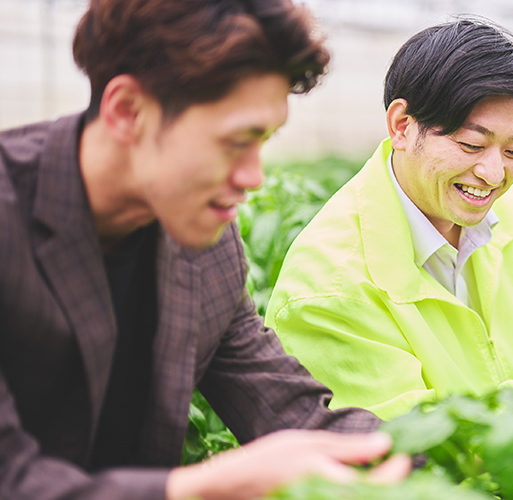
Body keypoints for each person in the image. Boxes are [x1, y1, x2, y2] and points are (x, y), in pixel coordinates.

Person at [0, 1, 412, 499]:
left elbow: (288, 410)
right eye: (235, 141)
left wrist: (449, 451)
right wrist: (201, 487)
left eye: (263, 141)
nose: (253, 177)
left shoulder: (203, 244)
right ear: (128, 111)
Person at [265, 18, 513, 421]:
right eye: (471, 144)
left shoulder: (507, 209)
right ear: (402, 126)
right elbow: (403, 444)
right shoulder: (327, 291)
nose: (492, 174)